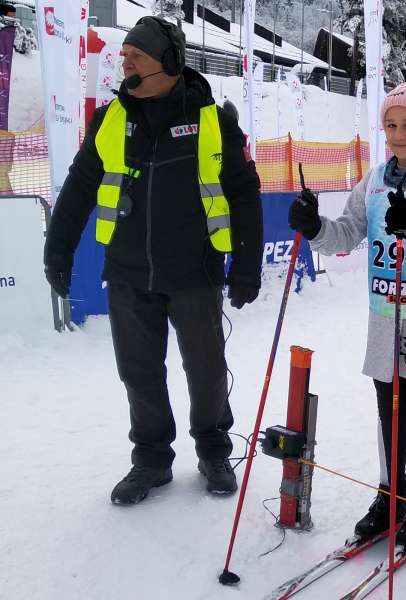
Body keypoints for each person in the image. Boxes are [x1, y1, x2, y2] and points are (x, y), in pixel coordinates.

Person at [43, 16, 263, 505]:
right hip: (128, 270)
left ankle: (212, 450)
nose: (126, 66)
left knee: (205, 369)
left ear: (168, 62)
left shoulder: (211, 117)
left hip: (195, 270)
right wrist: (57, 250)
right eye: (124, 58)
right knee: (138, 371)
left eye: (136, 57)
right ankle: (150, 459)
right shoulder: (111, 120)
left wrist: (247, 265)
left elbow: (244, 192)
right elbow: (80, 186)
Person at [288, 74, 406, 547]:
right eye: (391, 124)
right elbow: (346, 234)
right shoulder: (372, 182)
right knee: (389, 411)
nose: (399, 134)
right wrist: (313, 226)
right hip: (385, 316)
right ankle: (391, 495)